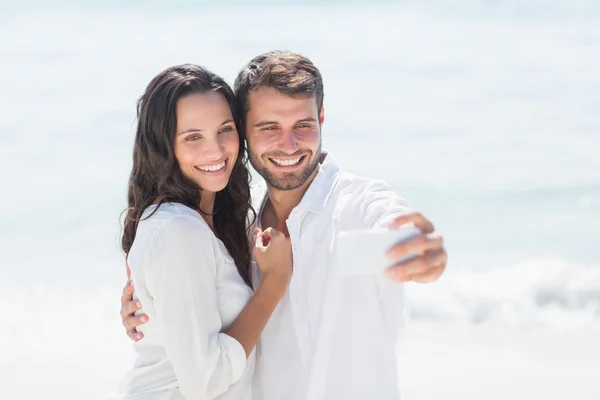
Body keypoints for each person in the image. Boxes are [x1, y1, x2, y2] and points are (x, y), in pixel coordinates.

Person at [120, 51, 448, 399]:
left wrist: (423, 252)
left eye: (303, 126)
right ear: (245, 131)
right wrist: (153, 312)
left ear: (321, 118)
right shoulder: (239, 228)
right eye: (269, 127)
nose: (288, 144)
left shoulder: (357, 206)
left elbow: (395, 228)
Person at [113, 64, 293, 400]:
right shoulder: (178, 230)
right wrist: (274, 283)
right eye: (193, 137)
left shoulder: (212, 222)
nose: (215, 150)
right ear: (164, 145)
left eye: (224, 130)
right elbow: (206, 382)